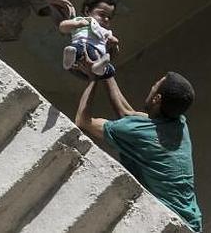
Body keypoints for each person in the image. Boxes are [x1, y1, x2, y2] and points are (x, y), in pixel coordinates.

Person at [75, 67, 202, 231]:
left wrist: (92, 79)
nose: (151, 87)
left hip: (171, 227)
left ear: (157, 98)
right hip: (191, 224)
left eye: (155, 85)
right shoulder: (179, 124)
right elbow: (126, 113)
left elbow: (82, 121)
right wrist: (106, 70)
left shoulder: (140, 134)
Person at [59, 0, 119, 78]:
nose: (106, 19)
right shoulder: (82, 21)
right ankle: (69, 59)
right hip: (82, 46)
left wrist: (114, 42)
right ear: (87, 11)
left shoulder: (105, 31)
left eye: (109, 17)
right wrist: (77, 24)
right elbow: (62, 27)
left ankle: (99, 68)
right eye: (102, 14)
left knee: (111, 71)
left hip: (98, 55)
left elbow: (112, 39)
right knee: (75, 49)